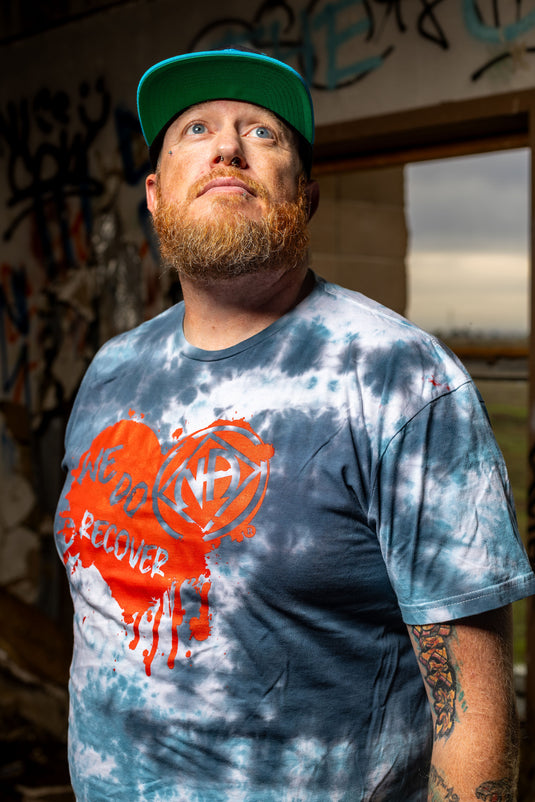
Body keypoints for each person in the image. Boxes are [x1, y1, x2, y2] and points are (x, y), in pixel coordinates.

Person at [55, 48, 535, 802]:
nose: (226, 146)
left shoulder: (400, 377)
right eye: (196, 129)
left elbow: (471, 716)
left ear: (304, 197)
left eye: (262, 134)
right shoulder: (112, 370)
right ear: (154, 194)